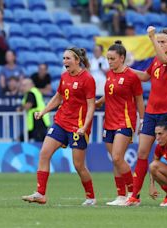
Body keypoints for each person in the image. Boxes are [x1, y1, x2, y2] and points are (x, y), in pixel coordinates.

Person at [21, 47, 97, 206]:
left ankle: (90, 197)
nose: (65, 62)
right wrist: (43, 112)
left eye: (68, 58)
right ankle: (40, 194)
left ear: (77, 60)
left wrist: (85, 127)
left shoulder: (87, 79)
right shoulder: (64, 77)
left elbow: (91, 106)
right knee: (44, 153)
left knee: (78, 165)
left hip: (78, 126)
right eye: (63, 58)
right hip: (61, 122)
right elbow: (58, 98)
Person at [126, 26, 167, 206]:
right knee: (142, 152)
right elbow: (145, 76)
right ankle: (134, 196)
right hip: (151, 112)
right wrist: (125, 68)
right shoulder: (156, 60)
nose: (159, 44)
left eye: (162, 41)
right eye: (158, 41)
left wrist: (151, 38)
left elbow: (164, 58)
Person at [95, 40, 145, 206]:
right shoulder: (109, 74)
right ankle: (121, 195)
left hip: (124, 121)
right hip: (108, 121)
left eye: (112, 59)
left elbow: (139, 100)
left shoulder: (132, 76)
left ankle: (133, 195)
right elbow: (110, 93)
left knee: (117, 157)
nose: (109, 62)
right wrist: (100, 101)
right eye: (108, 59)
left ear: (122, 58)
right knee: (115, 159)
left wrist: (142, 120)